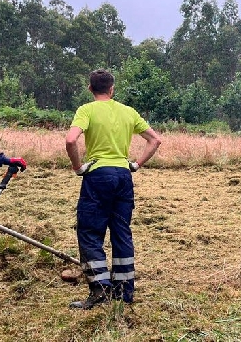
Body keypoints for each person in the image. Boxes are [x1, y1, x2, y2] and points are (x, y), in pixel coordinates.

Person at [65, 69, 162, 309]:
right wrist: (136, 164)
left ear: (90, 89)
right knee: (121, 231)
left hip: (98, 176)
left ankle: (100, 290)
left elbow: (70, 140)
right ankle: (124, 292)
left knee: (89, 232)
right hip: (123, 176)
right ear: (112, 89)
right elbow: (155, 140)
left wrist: (78, 167)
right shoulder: (128, 112)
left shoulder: (86, 110)